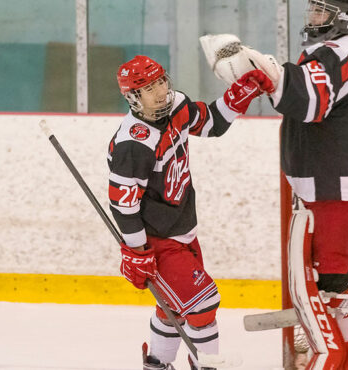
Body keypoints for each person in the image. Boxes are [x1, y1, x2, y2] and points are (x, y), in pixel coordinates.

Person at [108, 55, 273, 370]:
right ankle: (208, 366)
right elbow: (123, 204)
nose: (158, 92)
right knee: (203, 303)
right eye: (147, 88)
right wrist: (137, 251)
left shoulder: (178, 106)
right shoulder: (134, 143)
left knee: (175, 307)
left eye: (159, 82)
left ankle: (157, 364)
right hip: (157, 239)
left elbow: (211, 122)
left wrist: (242, 92)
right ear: (133, 96)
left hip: (184, 229)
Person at [267, 0, 348, 369]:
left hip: (339, 182)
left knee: (330, 277)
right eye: (313, 10)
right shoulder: (330, 52)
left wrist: (268, 71)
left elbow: (310, 102)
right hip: (338, 181)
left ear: (343, 16)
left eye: (322, 11)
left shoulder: (337, 52)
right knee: (335, 279)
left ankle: (337, 359)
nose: (313, 17)